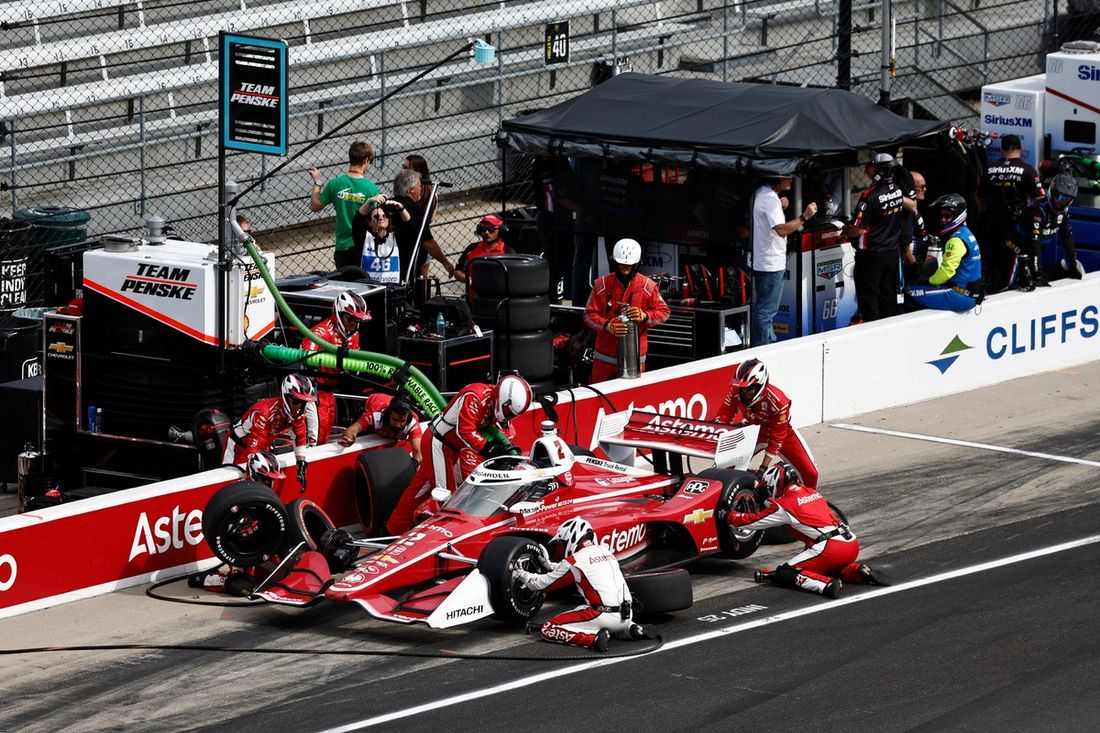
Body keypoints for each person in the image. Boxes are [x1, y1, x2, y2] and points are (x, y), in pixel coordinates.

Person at [386, 374, 532, 534]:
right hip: (438, 443)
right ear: (505, 399)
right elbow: (465, 430)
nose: (509, 416)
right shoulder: (475, 396)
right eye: (509, 411)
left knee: (419, 490)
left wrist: (505, 446)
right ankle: (441, 537)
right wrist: (489, 448)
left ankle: (393, 530)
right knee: (448, 498)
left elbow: (489, 429)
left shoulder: (492, 400)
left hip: (451, 447)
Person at [729, 462, 891, 598]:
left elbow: (751, 522)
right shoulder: (812, 492)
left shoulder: (785, 505)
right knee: (827, 567)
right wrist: (768, 500)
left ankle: (826, 585)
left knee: (786, 573)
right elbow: (788, 509)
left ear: (776, 482)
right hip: (850, 543)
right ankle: (855, 571)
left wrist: (730, 516)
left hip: (831, 548)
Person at [513, 517, 648, 651]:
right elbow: (579, 570)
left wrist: (522, 575)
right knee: (582, 608)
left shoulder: (575, 561)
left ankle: (593, 639)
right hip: (627, 614)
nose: (563, 546)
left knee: (548, 628)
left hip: (601, 615)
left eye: (563, 543)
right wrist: (549, 565)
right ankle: (631, 629)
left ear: (571, 538)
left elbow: (542, 585)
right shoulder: (605, 551)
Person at [712, 358, 819, 489]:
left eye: (749, 388)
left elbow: (777, 439)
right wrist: (720, 434)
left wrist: (763, 467)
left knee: (811, 474)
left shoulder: (779, 402)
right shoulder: (736, 393)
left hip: (784, 436)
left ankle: (808, 503)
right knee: (724, 469)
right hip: (753, 432)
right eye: (741, 387)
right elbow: (724, 415)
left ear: (760, 385)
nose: (744, 392)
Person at [582, 238, 670, 383]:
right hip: (604, 359)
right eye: (622, 265)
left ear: (637, 264)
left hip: (635, 362)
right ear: (614, 262)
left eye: (629, 266)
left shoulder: (648, 286)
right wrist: (607, 325)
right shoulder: (601, 285)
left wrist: (645, 316)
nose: (625, 270)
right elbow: (588, 315)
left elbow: (664, 312)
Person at [845, 154, 912, 322]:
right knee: (887, 296)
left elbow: (858, 229)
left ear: (880, 170)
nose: (869, 168)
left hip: (871, 255)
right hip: (891, 253)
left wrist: (845, 231)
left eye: (873, 166)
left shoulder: (869, 196)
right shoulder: (897, 190)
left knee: (869, 299)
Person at [751, 176, 818, 345]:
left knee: (764, 311)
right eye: (788, 177)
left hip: (766, 262)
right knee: (766, 312)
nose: (792, 181)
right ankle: (761, 351)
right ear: (777, 179)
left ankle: (767, 344)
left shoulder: (764, 194)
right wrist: (805, 217)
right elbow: (781, 230)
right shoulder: (769, 199)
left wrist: (779, 206)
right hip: (770, 265)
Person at [977, 134, 1045, 294]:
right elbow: (1040, 197)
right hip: (1014, 226)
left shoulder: (989, 169)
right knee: (1009, 262)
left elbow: (979, 197)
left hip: (990, 223)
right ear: (1020, 150)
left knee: (988, 261)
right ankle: (1003, 290)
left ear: (1001, 149)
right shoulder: (1028, 170)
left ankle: (984, 291)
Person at [226, 374, 319, 489]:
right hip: (238, 447)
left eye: (304, 402)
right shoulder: (263, 413)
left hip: (262, 446)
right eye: (296, 401)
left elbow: (299, 436)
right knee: (230, 483)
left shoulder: (298, 414)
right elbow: (253, 448)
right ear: (286, 396)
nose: (300, 407)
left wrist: (301, 465)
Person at [301, 291, 371, 441]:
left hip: (330, 392)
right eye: (351, 318)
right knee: (316, 436)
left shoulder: (353, 334)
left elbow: (356, 360)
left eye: (358, 320)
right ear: (339, 313)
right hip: (313, 391)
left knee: (326, 433)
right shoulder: (320, 332)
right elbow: (305, 356)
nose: (354, 323)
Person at [309, 142, 380, 269]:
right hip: (364, 245)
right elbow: (377, 220)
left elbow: (315, 206)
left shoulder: (335, 184)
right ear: (365, 160)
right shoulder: (371, 189)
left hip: (342, 246)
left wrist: (318, 182)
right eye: (371, 161)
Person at [907, 194, 984, 312]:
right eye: (941, 216)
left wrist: (928, 281)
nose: (943, 220)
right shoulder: (966, 233)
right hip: (969, 294)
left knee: (907, 294)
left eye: (947, 216)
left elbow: (947, 271)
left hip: (959, 296)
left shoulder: (955, 240)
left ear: (958, 216)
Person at [1006, 172, 1082, 291]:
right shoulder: (1038, 210)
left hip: (1032, 254)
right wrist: (1038, 275)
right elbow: (1033, 244)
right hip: (1014, 252)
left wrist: (1072, 267)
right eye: (1059, 197)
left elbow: (1067, 239)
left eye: (1066, 199)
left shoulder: (1064, 213)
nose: (1060, 202)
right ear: (1052, 192)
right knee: (1008, 285)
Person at [390, 168, 457, 283]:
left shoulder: (388, 205)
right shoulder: (413, 209)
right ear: (411, 190)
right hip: (407, 266)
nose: (420, 189)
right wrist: (446, 263)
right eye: (419, 186)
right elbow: (428, 242)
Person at [339, 394, 423, 463]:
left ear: (407, 416)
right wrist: (349, 439)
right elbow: (350, 430)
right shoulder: (376, 415)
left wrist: (411, 466)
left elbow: (418, 455)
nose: (398, 424)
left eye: (402, 421)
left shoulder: (413, 423)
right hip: (373, 402)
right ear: (389, 413)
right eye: (394, 419)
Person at [351, 194, 410, 284]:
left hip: (392, 288)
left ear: (389, 220)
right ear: (370, 223)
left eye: (384, 216)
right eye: (376, 216)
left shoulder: (396, 238)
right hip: (369, 288)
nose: (381, 218)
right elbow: (357, 222)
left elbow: (410, 226)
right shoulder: (365, 239)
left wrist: (401, 208)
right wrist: (369, 202)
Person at [454, 214, 516, 285]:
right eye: (483, 229)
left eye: (491, 229)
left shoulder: (508, 252)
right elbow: (457, 271)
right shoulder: (471, 248)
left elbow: (515, 278)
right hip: (475, 295)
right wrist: (469, 280)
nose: (486, 232)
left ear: (501, 230)